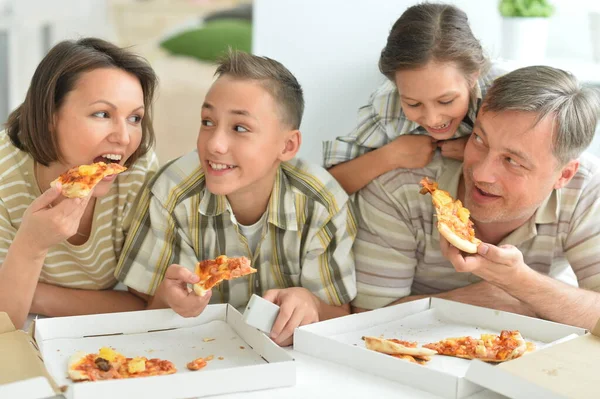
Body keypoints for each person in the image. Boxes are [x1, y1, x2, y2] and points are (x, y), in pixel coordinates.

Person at [115, 50, 357, 346]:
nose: (214, 144)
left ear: (288, 145)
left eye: (240, 128)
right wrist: (168, 300)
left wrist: (312, 305)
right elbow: (143, 309)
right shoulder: (172, 192)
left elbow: (342, 315)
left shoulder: (321, 204)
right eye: (207, 122)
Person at [351, 65, 600, 330]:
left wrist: (519, 282)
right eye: (479, 139)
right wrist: (468, 301)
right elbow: (363, 323)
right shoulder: (399, 189)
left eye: (512, 161)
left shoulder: (587, 189)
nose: (481, 174)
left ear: (564, 175)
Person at [0, 38, 160, 329]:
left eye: (135, 118)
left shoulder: (138, 171)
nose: (124, 138)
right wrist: (31, 245)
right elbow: (3, 325)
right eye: (102, 114)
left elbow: (146, 304)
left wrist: (34, 296)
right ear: (49, 115)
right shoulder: (3, 174)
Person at [324, 3, 502, 194]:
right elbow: (326, 188)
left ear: (473, 76)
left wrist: (477, 151)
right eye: (413, 104)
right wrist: (390, 156)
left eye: (446, 101)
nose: (433, 119)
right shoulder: (386, 105)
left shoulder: (505, 91)